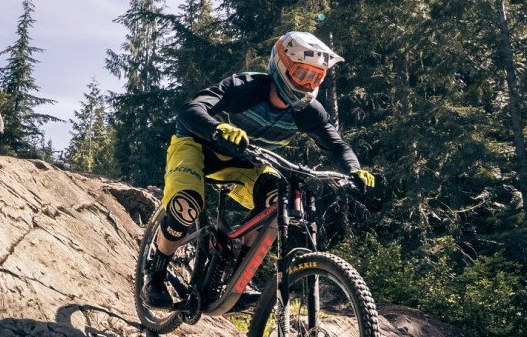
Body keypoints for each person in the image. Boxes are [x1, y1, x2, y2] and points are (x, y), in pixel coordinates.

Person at [146, 30, 375, 307]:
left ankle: (237, 278)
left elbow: (337, 146)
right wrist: (218, 128)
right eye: (303, 74)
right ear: (281, 66)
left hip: (245, 163)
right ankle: (155, 275)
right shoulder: (246, 87)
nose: (308, 84)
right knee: (186, 205)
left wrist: (353, 169)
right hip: (197, 147)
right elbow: (189, 110)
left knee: (278, 203)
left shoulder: (308, 112)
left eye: (316, 77)